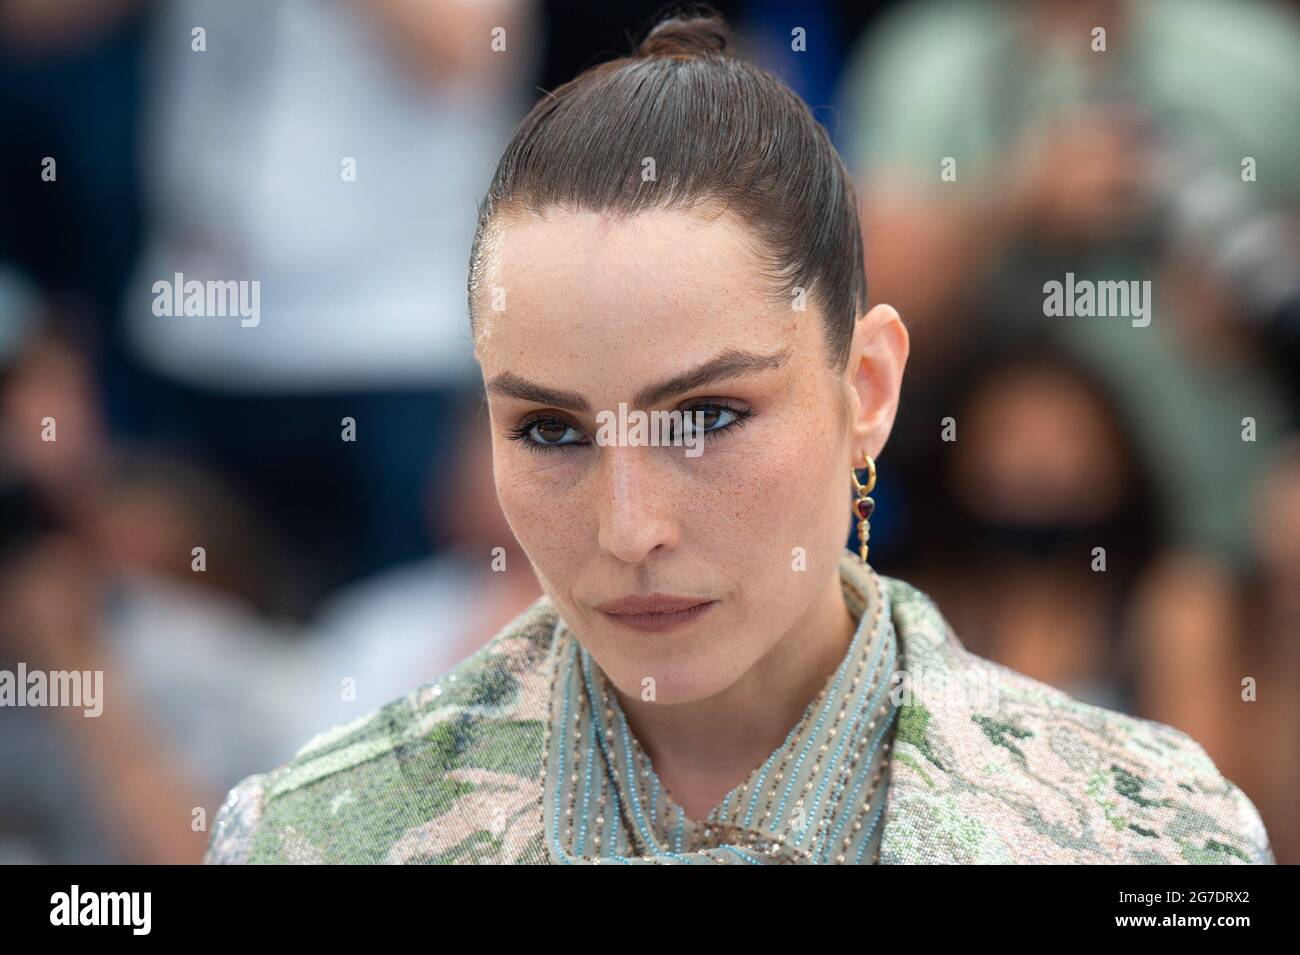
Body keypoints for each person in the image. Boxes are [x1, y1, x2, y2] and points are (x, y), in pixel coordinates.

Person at [205, 7, 1273, 865]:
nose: (629, 528)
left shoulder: (1146, 837)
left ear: (866, 386)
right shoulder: (321, 837)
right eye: (548, 428)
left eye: (707, 416)